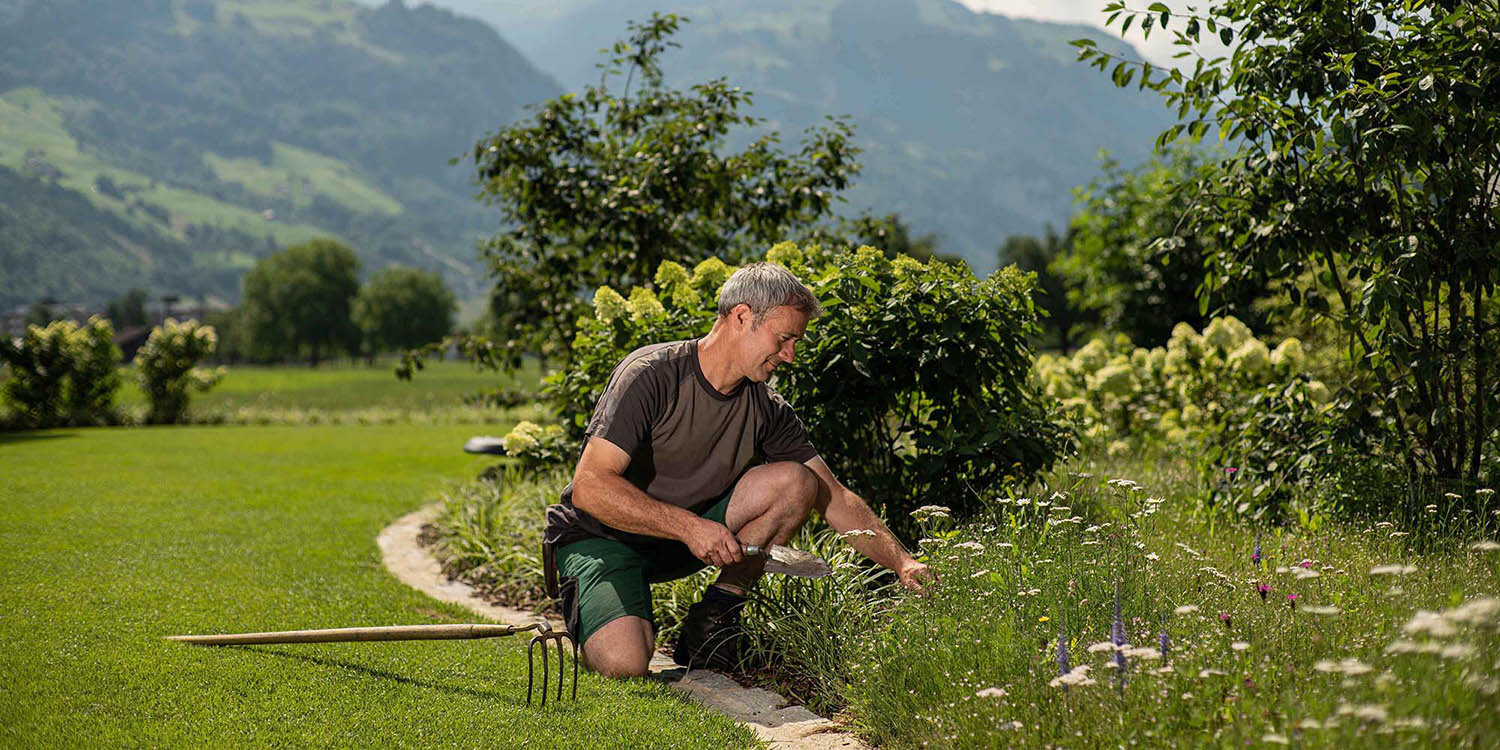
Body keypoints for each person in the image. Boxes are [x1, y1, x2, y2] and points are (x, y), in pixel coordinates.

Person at [543, 261, 932, 678]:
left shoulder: (766, 408)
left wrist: (902, 563)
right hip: (601, 538)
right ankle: (594, 614)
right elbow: (590, 487)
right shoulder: (651, 374)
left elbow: (833, 496)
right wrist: (690, 527)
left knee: (798, 482)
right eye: (784, 339)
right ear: (742, 316)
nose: (790, 355)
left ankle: (711, 625)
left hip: (681, 541)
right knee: (625, 663)